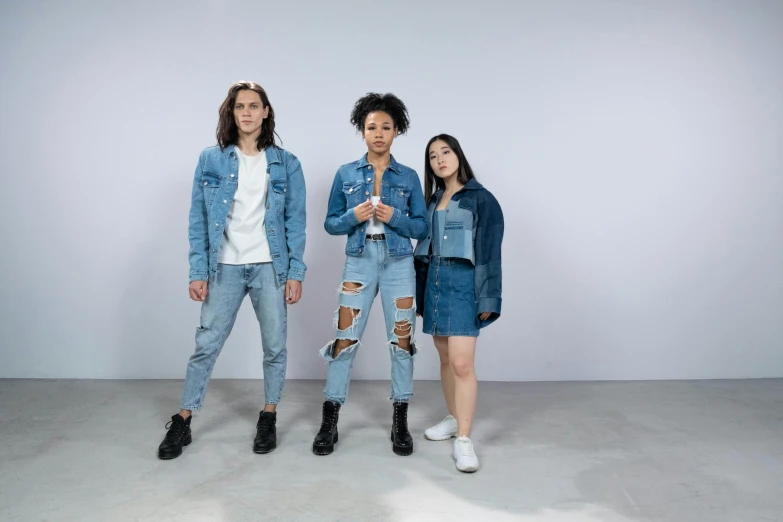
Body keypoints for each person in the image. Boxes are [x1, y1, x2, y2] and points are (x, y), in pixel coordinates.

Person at [157, 81, 307, 459]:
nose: (247, 112)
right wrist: (197, 271)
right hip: (223, 265)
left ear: (266, 112)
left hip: (269, 267)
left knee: (274, 346)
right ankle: (183, 419)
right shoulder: (212, 159)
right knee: (206, 345)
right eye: (240, 106)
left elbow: (295, 224)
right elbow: (198, 219)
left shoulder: (287, 164)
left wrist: (295, 273)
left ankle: (268, 414)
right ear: (232, 112)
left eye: (254, 106)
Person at [313, 93, 428, 457]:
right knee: (344, 339)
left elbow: (422, 227)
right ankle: (329, 420)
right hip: (359, 261)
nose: (379, 133)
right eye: (371, 127)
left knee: (402, 342)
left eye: (386, 127)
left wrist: (394, 217)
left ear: (397, 131)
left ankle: (400, 420)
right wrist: (354, 217)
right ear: (362, 131)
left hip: (398, 263)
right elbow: (331, 223)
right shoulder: (346, 174)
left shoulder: (408, 176)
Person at [414, 134, 504, 472]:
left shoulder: (482, 199)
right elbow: (423, 252)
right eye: (433, 156)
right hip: (435, 281)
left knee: (463, 363)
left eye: (445, 152)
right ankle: (453, 419)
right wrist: (421, 291)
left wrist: (488, 296)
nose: (440, 160)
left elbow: (490, 254)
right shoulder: (432, 199)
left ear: (458, 155)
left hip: (465, 284)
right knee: (445, 357)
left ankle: (464, 440)